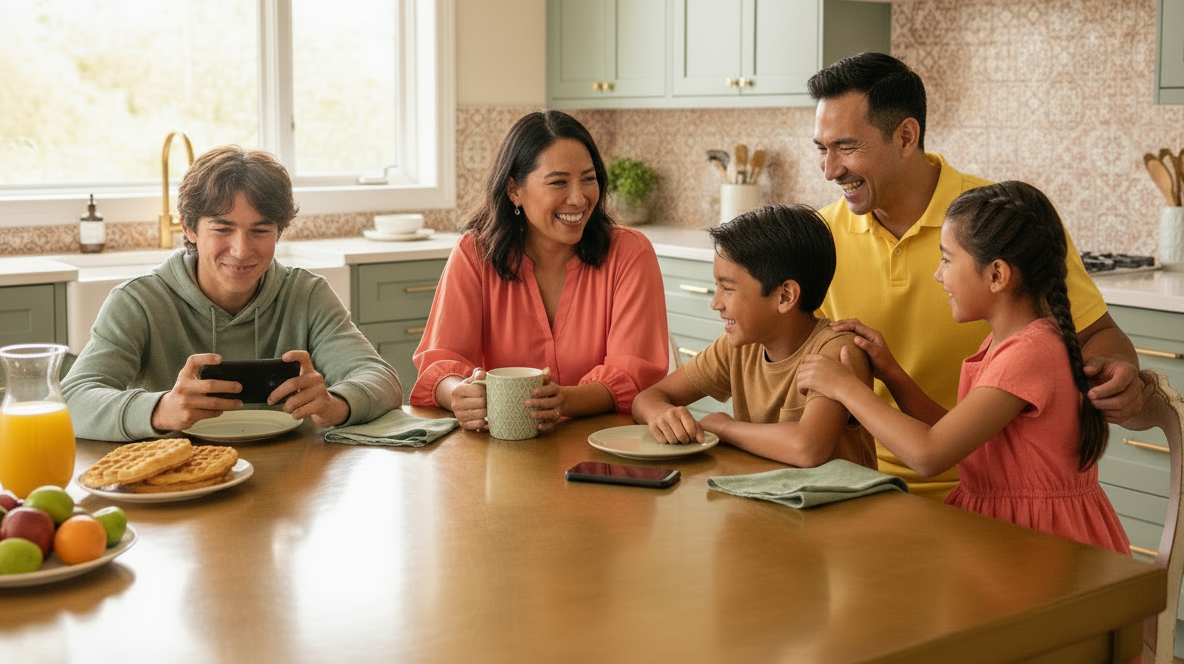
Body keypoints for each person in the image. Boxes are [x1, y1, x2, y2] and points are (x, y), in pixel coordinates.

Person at [808, 52, 1145, 499]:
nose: (830, 170)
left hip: (992, 492)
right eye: (821, 149)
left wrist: (1119, 371)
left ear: (906, 136)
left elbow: (1099, 335)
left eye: (847, 148)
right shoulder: (820, 236)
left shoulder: (1001, 225)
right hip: (863, 484)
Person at [798, 181, 1131, 554]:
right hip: (1005, 534)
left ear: (997, 275)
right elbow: (954, 435)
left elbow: (929, 455)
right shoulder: (1009, 342)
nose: (939, 275)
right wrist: (890, 371)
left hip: (1040, 547)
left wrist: (845, 388)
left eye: (946, 260)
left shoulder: (1031, 353)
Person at [62, 146, 402, 441]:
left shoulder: (307, 295)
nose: (241, 251)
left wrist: (335, 404)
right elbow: (73, 399)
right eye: (223, 229)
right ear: (189, 228)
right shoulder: (137, 303)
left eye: (260, 230)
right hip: (178, 481)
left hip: (293, 478)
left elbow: (382, 379)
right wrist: (160, 409)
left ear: (279, 232)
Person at [409, 110, 669, 431]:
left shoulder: (630, 252)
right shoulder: (474, 254)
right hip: (502, 452)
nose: (578, 198)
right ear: (514, 190)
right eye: (558, 182)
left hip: (605, 447)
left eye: (589, 179)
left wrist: (564, 401)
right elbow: (441, 362)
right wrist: (459, 394)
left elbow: (632, 373)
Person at [632, 204, 877, 468]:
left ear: (785, 296)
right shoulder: (738, 347)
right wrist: (662, 413)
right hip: (770, 499)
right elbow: (646, 398)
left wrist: (725, 428)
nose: (715, 303)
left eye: (727, 288)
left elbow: (808, 448)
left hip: (841, 507)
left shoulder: (837, 350)